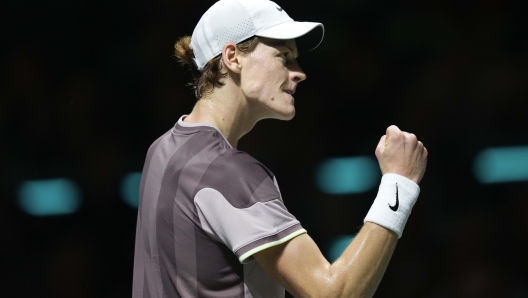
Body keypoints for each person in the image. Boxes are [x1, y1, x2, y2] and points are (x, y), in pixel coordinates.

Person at [132, 0, 428, 297]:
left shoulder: (161, 150)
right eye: (284, 56)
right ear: (233, 57)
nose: (299, 72)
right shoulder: (228, 172)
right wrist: (398, 183)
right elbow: (334, 293)